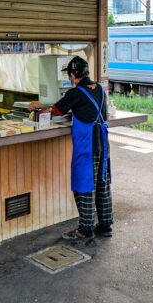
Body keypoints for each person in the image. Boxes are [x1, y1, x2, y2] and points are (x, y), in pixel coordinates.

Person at [28, 56, 112, 241]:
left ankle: (85, 229)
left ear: (73, 75)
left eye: (70, 75)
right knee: (102, 184)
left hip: (87, 145)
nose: (70, 79)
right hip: (103, 144)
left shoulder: (75, 93)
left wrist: (37, 105)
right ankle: (105, 226)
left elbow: (56, 111)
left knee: (85, 186)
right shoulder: (99, 88)